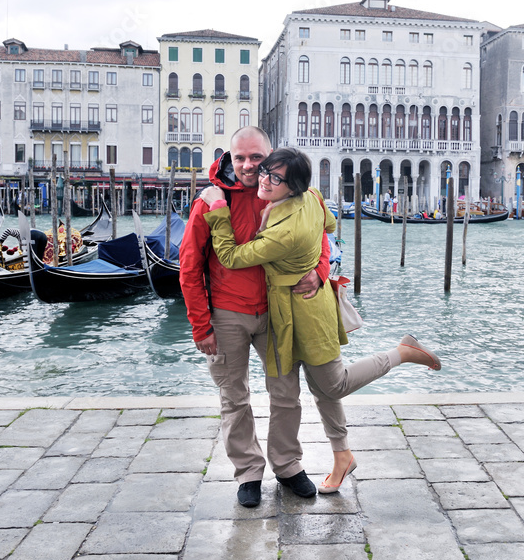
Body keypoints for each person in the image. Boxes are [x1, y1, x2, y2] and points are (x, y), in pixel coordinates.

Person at [200, 147, 442, 495]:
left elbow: (231, 256)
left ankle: (402, 353)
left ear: (294, 186)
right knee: (311, 387)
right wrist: (317, 266)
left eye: (275, 177)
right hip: (282, 314)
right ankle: (341, 455)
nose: (264, 178)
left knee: (332, 384)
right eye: (266, 171)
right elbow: (329, 226)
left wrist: (219, 212)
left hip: (308, 310)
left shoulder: (285, 231)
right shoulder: (312, 196)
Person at [179, 127, 329, 508]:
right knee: (234, 397)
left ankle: (287, 465)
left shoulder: (293, 192)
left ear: (270, 156)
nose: (249, 166)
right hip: (227, 315)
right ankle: (248, 471)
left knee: (286, 393)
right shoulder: (210, 202)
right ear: (230, 157)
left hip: (279, 312)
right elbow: (189, 266)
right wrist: (201, 325)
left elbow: (320, 235)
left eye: (256, 158)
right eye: (240, 158)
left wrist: (321, 271)